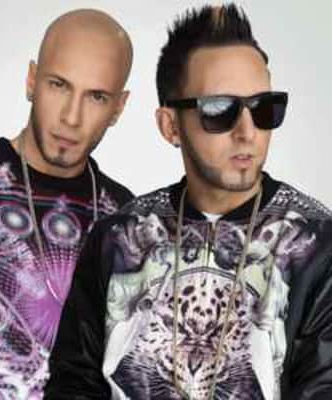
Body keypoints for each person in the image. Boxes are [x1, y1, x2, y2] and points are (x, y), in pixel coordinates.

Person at [44, 3, 332, 400]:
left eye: (264, 108)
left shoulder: (316, 246)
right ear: (170, 126)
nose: (247, 132)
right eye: (220, 110)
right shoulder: (119, 239)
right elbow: (72, 386)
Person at [0, 9, 134, 399]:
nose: (71, 117)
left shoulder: (128, 220)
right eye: (59, 85)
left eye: (96, 96)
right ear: (31, 80)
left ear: (118, 108)